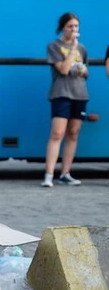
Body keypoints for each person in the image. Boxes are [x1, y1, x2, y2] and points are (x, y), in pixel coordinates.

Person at [42, 12, 89, 187]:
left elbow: (86, 72)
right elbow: (62, 69)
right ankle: (48, 175)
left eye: (76, 26)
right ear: (63, 28)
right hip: (61, 93)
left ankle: (65, 173)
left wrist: (83, 70)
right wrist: (72, 49)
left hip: (80, 93)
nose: (74, 29)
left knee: (73, 133)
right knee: (57, 133)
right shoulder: (54, 46)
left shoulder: (82, 49)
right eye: (70, 26)